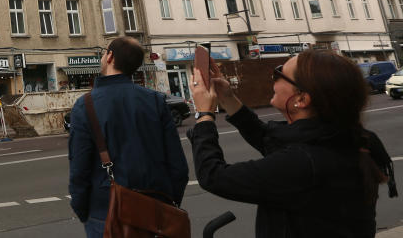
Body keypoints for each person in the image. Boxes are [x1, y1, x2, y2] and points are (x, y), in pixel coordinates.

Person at [189, 49, 397, 237]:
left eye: (278, 74)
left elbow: (214, 176)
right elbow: (267, 137)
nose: (273, 79)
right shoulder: (344, 137)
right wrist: (227, 97)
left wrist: (204, 115)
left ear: (302, 99)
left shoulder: (306, 161)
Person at [68, 36, 189, 237]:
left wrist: (85, 213)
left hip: (105, 213)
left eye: (104, 52)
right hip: (155, 211)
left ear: (110, 57)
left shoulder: (85, 105)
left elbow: (78, 172)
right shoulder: (156, 101)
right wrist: (167, 204)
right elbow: (178, 167)